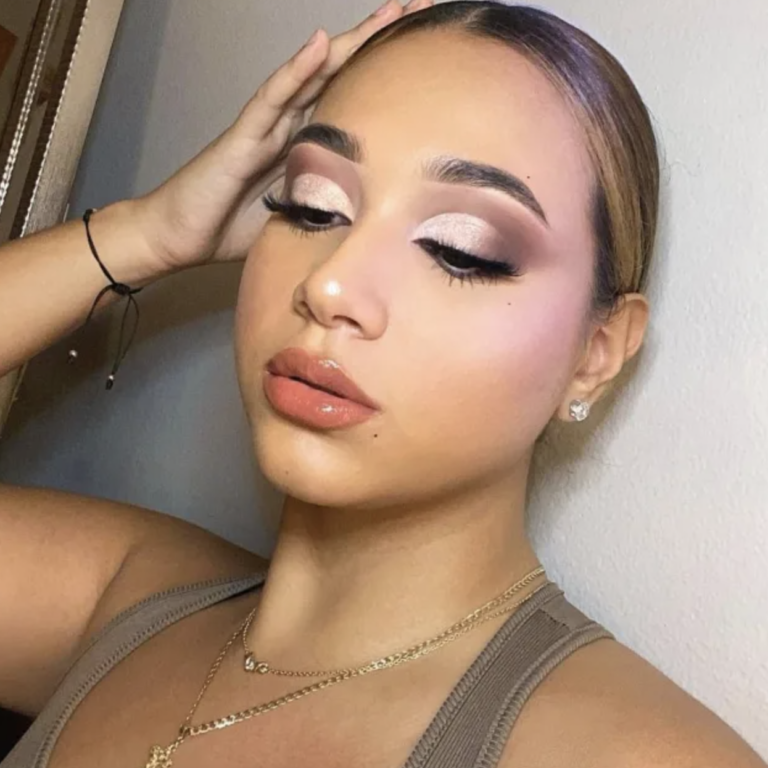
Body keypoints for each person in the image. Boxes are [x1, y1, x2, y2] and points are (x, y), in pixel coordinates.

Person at [0, 1, 764, 766]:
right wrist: (150, 232)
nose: (329, 285)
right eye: (312, 206)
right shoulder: (128, 602)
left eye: (460, 249)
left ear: (596, 353)